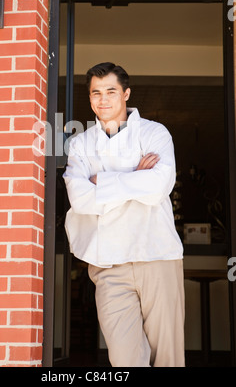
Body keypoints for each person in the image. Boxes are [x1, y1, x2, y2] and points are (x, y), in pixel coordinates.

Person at [63, 62, 185, 367]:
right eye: (96, 93)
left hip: (157, 255)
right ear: (89, 97)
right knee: (124, 359)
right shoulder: (80, 144)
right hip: (108, 264)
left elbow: (158, 187)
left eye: (111, 91)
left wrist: (100, 182)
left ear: (126, 93)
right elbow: (79, 199)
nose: (103, 99)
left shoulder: (155, 133)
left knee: (167, 358)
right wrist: (134, 176)